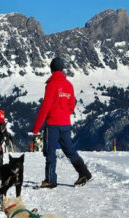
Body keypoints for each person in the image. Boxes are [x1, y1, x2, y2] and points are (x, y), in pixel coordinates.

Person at [29, 56, 91, 188]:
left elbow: (45, 106)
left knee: (50, 152)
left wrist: (36, 128)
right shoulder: (68, 85)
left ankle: (50, 180)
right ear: (62, 69)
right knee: (70, 150)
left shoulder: (52, 85)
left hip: (52, 125)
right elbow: (72, 103)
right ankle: (84, 173)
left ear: (51, 69)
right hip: (65, 124)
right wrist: (65, 113)